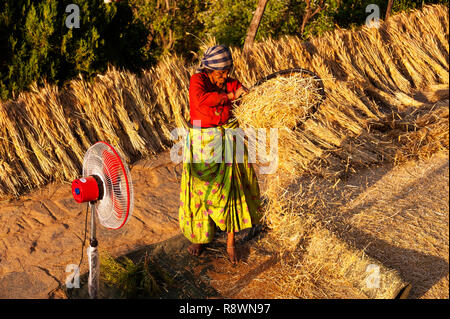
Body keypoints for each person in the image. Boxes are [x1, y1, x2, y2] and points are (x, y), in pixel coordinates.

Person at [178, 45, 262, 264]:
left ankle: (230, 243)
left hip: (226, 140)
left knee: (230, 190)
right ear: (208, 69)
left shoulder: (228, 81)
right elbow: (202, 100)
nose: (224, 77)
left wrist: (247, 96)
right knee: (200, 190)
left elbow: (243, 93)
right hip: (202, 143)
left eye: (226, 72)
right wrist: (229, 96)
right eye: (219, 73)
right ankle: (200, 237)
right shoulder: (198, 80)